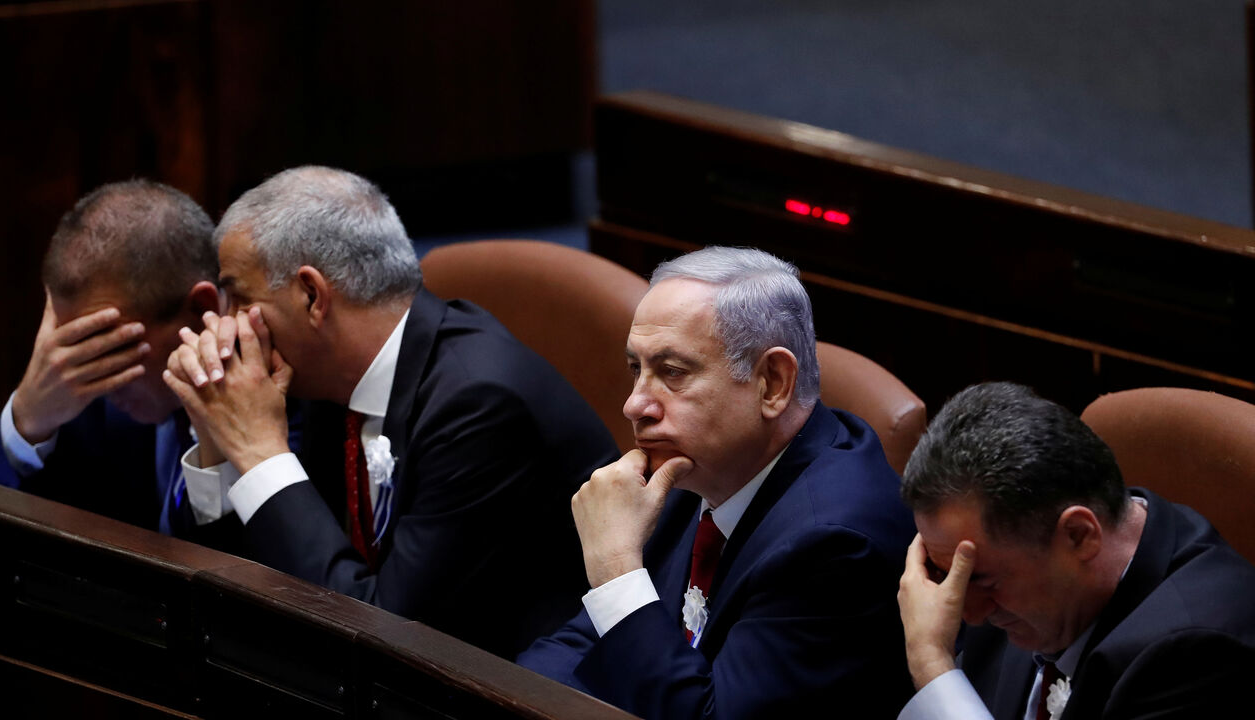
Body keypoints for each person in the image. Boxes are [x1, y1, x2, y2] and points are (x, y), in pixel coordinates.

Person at [162, 166, 617, 658]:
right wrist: (220, 439)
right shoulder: (324, 374)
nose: (225, 325)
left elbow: (387, 637)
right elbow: (250, 580)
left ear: (312, 296)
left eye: (238, 298)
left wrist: (259, 452)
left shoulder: (479, 404)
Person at [516, 246, 914, 719]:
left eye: (672, 372)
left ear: (773, 383)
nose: (635, 405)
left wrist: (616, 567)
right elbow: (585, 642)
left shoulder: (833, 545)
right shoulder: (704, 463)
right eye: (635, 370)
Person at [896, 381, 1255, 720]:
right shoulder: (1006, 560)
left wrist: (932, 666)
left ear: (1079, 535)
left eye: (984, 581)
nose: (967, 614)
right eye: (948, 574)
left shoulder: (1197, 657)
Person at [0, 179, 233, 541]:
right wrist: (28, 420)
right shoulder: (80, 397)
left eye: (109, 345)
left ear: (201, 309)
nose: (93, 372)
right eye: (76, 344)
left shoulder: (289, 405)